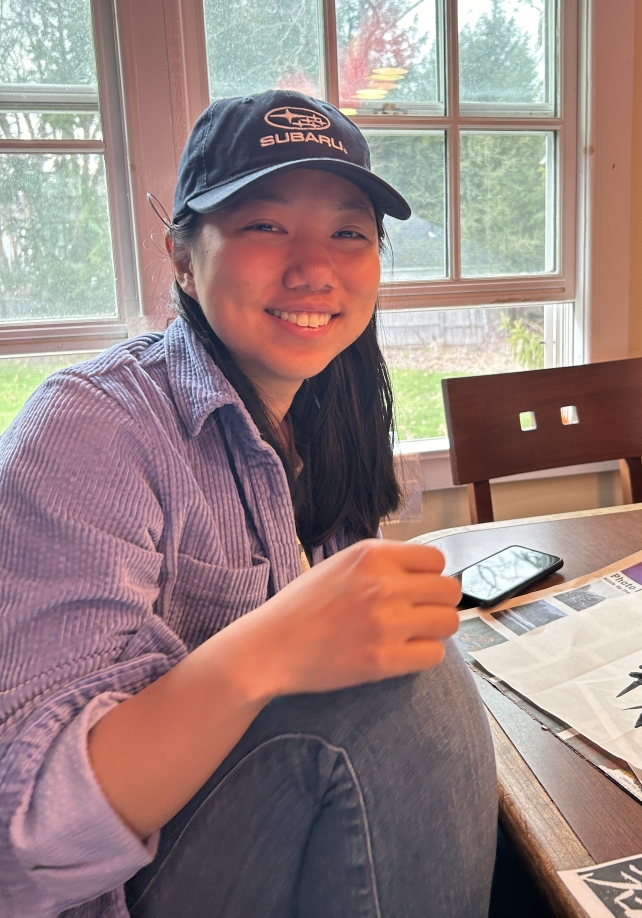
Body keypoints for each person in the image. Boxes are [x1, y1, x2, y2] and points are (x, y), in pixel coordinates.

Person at [0, 91, 498, 918]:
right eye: (265, 226)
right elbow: (20, 843)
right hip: (113, 892)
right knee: (419, 690)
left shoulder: (325, 410)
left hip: (272, 837)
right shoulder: (90, 431)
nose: (314, 267)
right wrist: (271, 648)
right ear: (184, 259)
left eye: (349, 232)